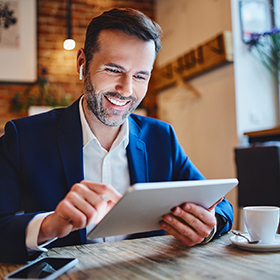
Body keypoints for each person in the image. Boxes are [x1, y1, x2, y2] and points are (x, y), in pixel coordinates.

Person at [0, 8, 233, 264]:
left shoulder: (161, 137)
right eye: (113, 70)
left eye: (140, 76)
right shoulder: (23, 137)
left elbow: (218, 205)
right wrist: (48, 226)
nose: (126, 89)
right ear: (82, 63)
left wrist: (209, 226)